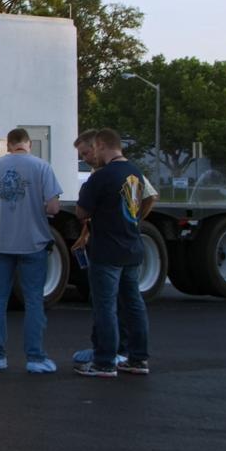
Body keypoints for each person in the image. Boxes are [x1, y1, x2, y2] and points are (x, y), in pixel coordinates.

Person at [71, 129, 159, 367]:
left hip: (107, 249)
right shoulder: (135, 172)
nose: (87, 158)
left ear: (100, 145)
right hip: (132, 246)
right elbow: (142, 200)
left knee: (105, 306)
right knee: (134, 304)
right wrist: (134, 219)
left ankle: (104, 361)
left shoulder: (101, 176)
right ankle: (138, 358)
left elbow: (82, 211)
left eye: (88, 152)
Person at [0, 127, 62, 373]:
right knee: (33, 300)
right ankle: (35, 358)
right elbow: (54, 208)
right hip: (32, 242)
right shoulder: (42, 167)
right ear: (28, 144)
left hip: (0, 242)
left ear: (8, 145)